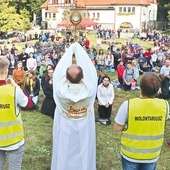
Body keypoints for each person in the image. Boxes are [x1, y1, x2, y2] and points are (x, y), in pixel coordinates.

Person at [51, 42, 97, 170]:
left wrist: (70, 50)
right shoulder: (90, 91)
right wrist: (79, 49)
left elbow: (57, 75)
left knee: (64, 148)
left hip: (65, 124)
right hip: (84, 124)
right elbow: (92, 73)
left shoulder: (60, 92)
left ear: (65, 77)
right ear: (83, 77)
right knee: (84, 148)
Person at [114, 72, 169, 170]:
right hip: (152, 154)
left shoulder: (128, 104)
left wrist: (129, 124)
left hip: (131, 154)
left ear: (140, 87)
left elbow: (117, 128)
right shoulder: (165, 105)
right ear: (158, 90)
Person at [0, 56, 29, 170]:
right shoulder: (14, 90)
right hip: (14, 141)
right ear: (7, 71)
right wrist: (15, 85)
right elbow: (28, 104)